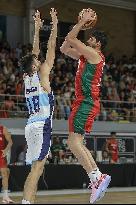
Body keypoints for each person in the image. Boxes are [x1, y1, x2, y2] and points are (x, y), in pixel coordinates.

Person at [60, 8, 111, 204]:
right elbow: (65, 47)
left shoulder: (94, 54)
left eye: (91, 38)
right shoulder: (85, 56)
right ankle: (97, 176)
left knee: (73, 143)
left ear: (97, 43)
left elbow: (72, 39)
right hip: (84, 102)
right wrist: (79, 24)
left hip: (86, 102)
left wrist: (81, 22)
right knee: (77, 142)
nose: (88, 39)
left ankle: (96, 178)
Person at [19, 9, 58, 204]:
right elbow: (50, 46)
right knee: (37, 169)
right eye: (37, 60)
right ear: (34, 66)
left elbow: (34, 52)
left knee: (36, 168)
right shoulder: (42, 74)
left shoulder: (27, 77)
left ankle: (28, 202)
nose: (39, 59)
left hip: (30, 125)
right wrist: (55, 25)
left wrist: (36, 29)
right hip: (42, 124)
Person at [0, 124, 13, 204]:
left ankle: (5, 197)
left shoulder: (3, 128)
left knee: (5, 173)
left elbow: (10, 142)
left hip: (1, 154)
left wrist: (5, 150)